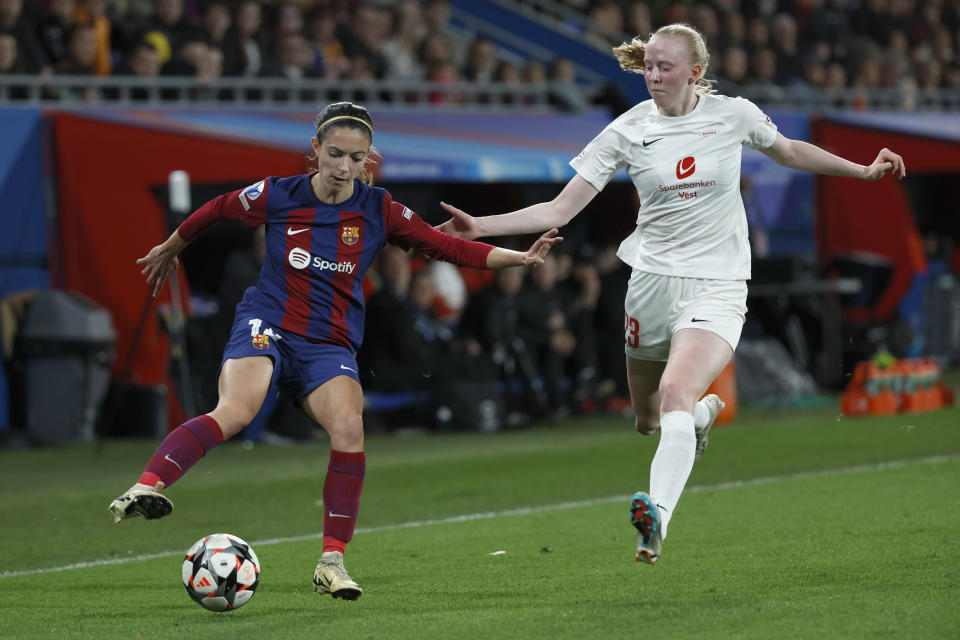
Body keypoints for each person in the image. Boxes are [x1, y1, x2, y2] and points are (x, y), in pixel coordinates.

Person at [438, 23, 906, 565]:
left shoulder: (733, 115)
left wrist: (863, 171)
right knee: (648, 419)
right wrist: (481, 227)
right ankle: (701, 420)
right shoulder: (627, 130)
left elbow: (792, 151)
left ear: (695, 73)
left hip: (718, 284)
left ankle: (655, 518)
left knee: (675, 392)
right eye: (648, 67)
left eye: (664, 67)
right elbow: (558, 210)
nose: (653, 77)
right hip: (651, 286)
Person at [108, 102, 562, 600]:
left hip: (328, 343)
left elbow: (447, 247)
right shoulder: (280, 194)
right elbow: (217, 208)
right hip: (268, 322)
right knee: (236, 410)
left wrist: (519, 257)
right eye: (335, 154)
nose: (344, 166)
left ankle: (332, 563)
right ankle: (147, 485)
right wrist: (173, 245)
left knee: (350, 427)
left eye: (356, 157)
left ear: (369, 159)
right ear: (316, 151)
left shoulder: (379, 208)